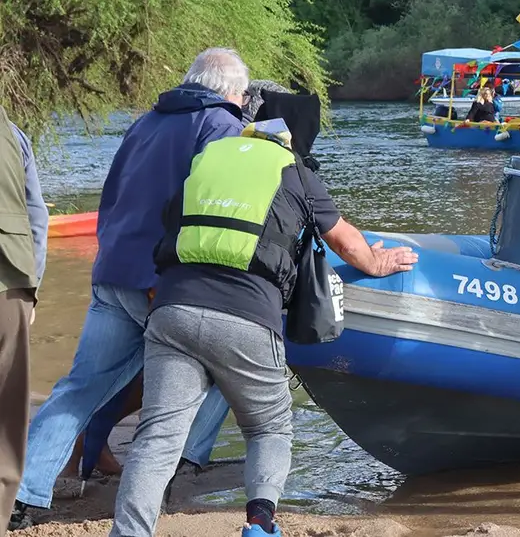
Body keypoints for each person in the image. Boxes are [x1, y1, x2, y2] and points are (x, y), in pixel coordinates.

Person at [108, 118, 417, 537]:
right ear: (287, 146)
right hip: (246, 315)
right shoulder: (295, 173)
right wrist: (378, 262)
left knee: (157, 437)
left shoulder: (204, 162)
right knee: (268, 426)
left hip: (173, 311)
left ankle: (129, 533)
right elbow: (346, 241)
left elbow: (168, 226)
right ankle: (259, 524)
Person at [8, 49, 247, 530]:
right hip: (161, 280)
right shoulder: (221, 124)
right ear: (228, 90)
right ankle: (181, 470)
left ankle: (25, 492)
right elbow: (214, 206)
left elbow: (112, 195)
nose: (242, 104)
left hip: (112, 268)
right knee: (221, 372)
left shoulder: (146, 122)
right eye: (241, 95)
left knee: (78, 388)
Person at [0, 108, 48, 532]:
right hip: (10, 281)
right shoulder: (12, 131)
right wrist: (33, 289)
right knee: (9, 410)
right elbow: (37, 217)